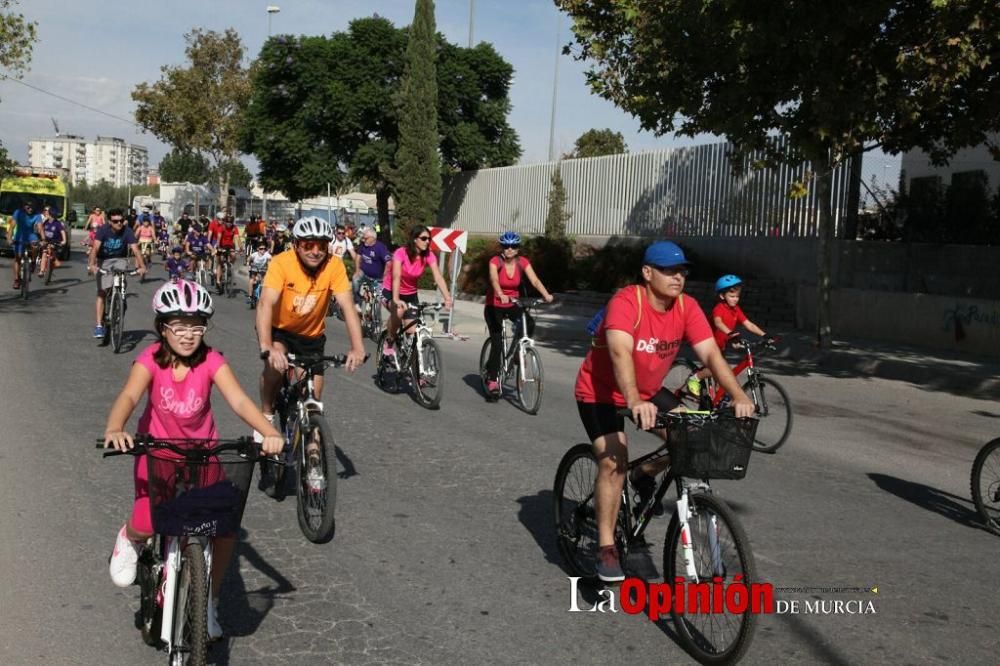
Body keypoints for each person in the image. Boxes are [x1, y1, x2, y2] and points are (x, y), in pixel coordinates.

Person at [102, 280, 283, 640]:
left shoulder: (212, 361)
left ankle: (208, 603)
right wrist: (115, 427)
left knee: (224, 527)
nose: (188, 335)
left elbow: (241, 401)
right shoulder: (150, 359)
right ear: (163, 328)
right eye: (179, 327)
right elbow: (129, 395)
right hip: (156, 452)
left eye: (196, 326)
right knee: (148, 520)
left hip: (202, 456)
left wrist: (269, 432)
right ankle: (129, 539)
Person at [573, 241, 755, 583]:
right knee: (614, 460)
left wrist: (738, 394)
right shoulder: (627, 302)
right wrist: (633, 400)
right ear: (647, 272)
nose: (678, 277)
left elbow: (711, 356)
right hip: (601, 393)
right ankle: (607, 547)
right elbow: (619, 353)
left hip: (648, 391)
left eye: (682, 271)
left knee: (693, 440)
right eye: (669, 270)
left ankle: (643, 476)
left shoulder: (686, 307)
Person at [255, 217, 366, 459]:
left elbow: (347, 306)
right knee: (274, 365)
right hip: (280, 330)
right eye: (308, 245)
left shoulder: (334, 266)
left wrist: (358, 348)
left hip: (312, 336)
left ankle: (313, 453)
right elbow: (265, 303)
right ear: (296, 245)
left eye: (322, 246)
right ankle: (265, 416)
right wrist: (266, 346)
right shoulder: (281, 263)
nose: (315, 252)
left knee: (313, 398)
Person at [483, 231, 555, 394]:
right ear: (502, 247)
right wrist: (500, 294)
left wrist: (546, 295)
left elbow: (535, 280)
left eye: (513, 246)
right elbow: (494, 279)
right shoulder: (495, 261)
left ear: (517, 248)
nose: (509, 249)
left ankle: (518, 353)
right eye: (506, 246)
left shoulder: (522, 262)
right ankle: (493, 380)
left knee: (529, 322)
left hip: (512, 303)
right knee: (497, 344)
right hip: (494, 305)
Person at [684, 275, 770, 397]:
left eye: (737, 296)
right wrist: (730, 333)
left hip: (721, 345)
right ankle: (694, 378)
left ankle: (717, 400)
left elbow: (748, 324)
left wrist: (765, 335)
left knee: (723, 378)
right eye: (732, 296)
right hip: (709, 344)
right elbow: (718, 323)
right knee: (719, 370)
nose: (735, 299)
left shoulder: (736, 309)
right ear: (722, 296)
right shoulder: (719, 309)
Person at [381, 225, 453, 357]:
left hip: (411, 294)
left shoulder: (429, 255)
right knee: (399, 311)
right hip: (391, 291)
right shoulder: (400, 253)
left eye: (429, 239)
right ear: (414, 239)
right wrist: (396, 299)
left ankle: (413, 366)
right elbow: (396, 276)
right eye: (424, 238)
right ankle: (389, 339)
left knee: (412, 330)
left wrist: (447, 298)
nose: (427, 242)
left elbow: (438, 276)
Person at [88, 209, 147, 338]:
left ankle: (119, 302)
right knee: (102, 291)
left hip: (120, 259)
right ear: (110, 221)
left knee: (120, 285)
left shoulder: (128, 231)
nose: (119, 223)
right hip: (104, 260)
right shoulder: (103, 230)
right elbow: (95, 248)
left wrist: (142, 267)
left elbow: (136, 250)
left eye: (121, 221)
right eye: (115, 221)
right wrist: (92, 265)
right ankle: (99, 326)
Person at [352, 226, 391, 309]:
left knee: (377, 301)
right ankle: (357, 302)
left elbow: (389, 262)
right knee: (355, 280)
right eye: (363, 238)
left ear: (372, 238)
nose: (363, 240)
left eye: (365, 238)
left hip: (377, 278)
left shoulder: (381, 247)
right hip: (364, 273)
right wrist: (357, 270)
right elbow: (358, 257)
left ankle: (375, 318)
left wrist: (385, 276)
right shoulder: (362, 245)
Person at [11, 199, 42, 289]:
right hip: (19, 236)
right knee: (18, 257)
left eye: (32, 207)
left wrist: (43, 239)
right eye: (28, 206)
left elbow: (40, 228)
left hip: (31, 235)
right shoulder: (18, 212)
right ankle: (17, 280)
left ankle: (33, 261)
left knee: (35, 246)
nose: (30, 209)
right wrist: (9, 238)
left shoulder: (37, 215)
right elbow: (12, 226)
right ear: (24, 206)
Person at [212, 216, 241, 292]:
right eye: (227, 222)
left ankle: (230, 266)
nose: (229, 224)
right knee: (220, 262)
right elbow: (219, 237)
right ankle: (218, 281)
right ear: (225, 222)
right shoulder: (222, 227)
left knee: (234, 255)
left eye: (230, 222)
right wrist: (218, 246)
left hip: (230, 245)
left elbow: (237, 238)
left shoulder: (234, 228)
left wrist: (240, 247)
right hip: (222, 245)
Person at [39, 206, 68, 272]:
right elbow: (40, 228)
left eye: (47, 213)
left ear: (51, 215)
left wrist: (64, 241)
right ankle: (41, 271)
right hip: (46, 240)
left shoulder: (58, 223)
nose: (46, 214)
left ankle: (53, 259)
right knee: (44, 252)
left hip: (55, 241)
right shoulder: (45, 222)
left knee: (49, 249)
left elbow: (62, 232)